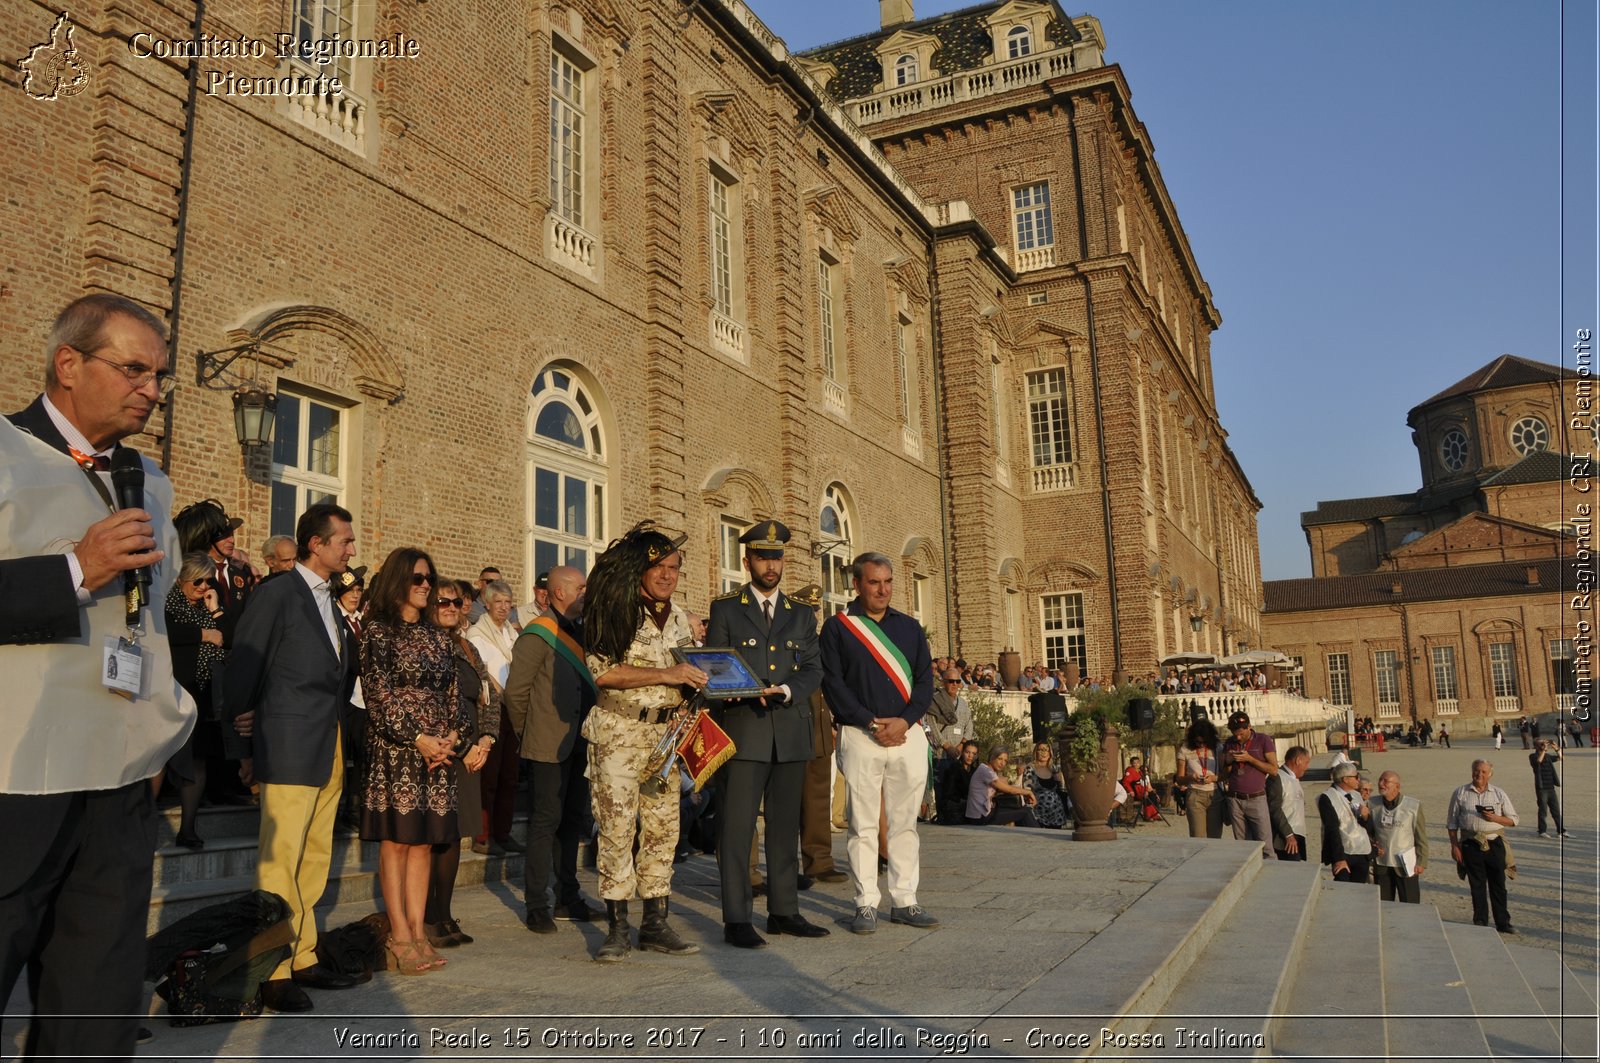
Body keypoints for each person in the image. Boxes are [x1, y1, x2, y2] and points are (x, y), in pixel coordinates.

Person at [0, 294, 191, 1060]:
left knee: (96, 1009)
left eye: (160, 375)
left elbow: (153, 621)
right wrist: (78, 567)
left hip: (117, 782)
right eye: (134, 368)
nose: (151, 388)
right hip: (16, 777)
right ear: (68, 363)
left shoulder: (153, 481)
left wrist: (161, 732)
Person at [225, 502, 360, 1011]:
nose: (351, 548)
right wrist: (241, 747)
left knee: (315, 858)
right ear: (316, 545)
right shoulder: (277, 593)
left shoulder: (331, 602)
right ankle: (272, 969)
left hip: (328, 747)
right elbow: (245, 669)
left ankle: (303, 955)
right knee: (280, 861)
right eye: (344, 540)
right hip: (285, 745)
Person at [581, 522, 707, 962]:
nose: (668, 575)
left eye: (674, 567)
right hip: (618, 735)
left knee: (662, 832)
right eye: (659, 567)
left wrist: (700, 688)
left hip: (665, 740)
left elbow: (689, 671)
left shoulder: (678, 617)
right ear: (640, 570)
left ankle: (655, 922)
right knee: (616, 831)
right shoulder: (613, 610)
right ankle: (616, 927)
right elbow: (603, 672)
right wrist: (667, 675)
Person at [358, 549, 485, 975]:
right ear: (398, 580)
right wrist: (418, 738)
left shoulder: (436, 636)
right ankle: (399, 935)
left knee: (425, 844)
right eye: (417, 578)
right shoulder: (377, 631)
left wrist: (450, 737)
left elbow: (452, 692)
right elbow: (378, 695)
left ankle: (418, 929)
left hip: (439, 754)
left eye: (429, 578)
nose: (426, 585)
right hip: (398, 752)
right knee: (397, 843)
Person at [705, 521, 827, 949]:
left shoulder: (800, 613)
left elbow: (813, 668)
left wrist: (790, 690)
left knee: (783, 827)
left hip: (790, 730)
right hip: (745, 730)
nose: (770, 566)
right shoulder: (726, 608)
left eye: (776, 558)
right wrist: (744, 691)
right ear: (747, 561)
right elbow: (715, 665)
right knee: (737, 828)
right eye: (762, 557)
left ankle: (784, 911)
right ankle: (737, 918)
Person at [820, 552, 939, 935]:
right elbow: (833, 685)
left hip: (908, 733)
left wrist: (903, 721)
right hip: (861, 735)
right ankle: (866, 902)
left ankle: (905, 900)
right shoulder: (838, 628)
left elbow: (925, 683)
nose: (883, 589)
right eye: (874, 582)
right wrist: (872, 722)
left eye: (888, 582)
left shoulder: (910, 628)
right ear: (857, 584)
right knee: (864, 824)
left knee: (905, 823)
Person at [504, 564, 602, 934]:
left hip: (579, 742)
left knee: (571, 823)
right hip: (546, 744)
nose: (585, 593)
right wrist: (528, 735)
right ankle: (536, 904)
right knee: (545, 823)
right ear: (559, 592)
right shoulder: (537, 633)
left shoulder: (582, 632)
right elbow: (516, 693)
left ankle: (568, 895)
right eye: (580, 587)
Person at [423, 580, 498, 948]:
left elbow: (489, 697)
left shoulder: (467, 647)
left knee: (454, 837)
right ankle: (427, 916)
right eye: (442, 601)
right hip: (438, 752)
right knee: (434, 836)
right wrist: (465, 744)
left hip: (469, 752)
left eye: (456, 601)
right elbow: (430, 705)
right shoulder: (421, 643)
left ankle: (445, 913)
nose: (451, 607)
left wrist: (486, 740)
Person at [164, 552, 230, 849]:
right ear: (180, 580)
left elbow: (230, 637)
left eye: (209, 580)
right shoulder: (169, 603)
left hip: (202, 692)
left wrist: (216, 611)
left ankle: (188, 828)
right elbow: (164, 632)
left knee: (197, 759)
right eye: (198, 580)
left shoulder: (208, 606)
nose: (204, 586)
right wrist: (204, 633)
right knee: (159, 758)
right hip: (172, 690)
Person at [788, 583, 848, 885]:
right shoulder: (788, 640)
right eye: (808, 609)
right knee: (787, 801)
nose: (813, 615)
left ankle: (819, 861)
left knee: (818, 798)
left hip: (821, 726)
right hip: (794, 725)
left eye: (816, 609)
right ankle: (785, 865)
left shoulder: (823, 642)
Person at [466, 579, 523, 856]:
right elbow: (482, 675)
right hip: (491, 709)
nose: (503, 607)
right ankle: (483, 835)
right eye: (498, 602)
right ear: (486, 604)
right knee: (489, 775)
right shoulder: (477, 635)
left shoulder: (511, 635)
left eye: (507, 602)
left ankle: (504, 831)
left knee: (509, 775)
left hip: (513, 709)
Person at [1446, 760, 1519, 933]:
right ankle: (1480, 921)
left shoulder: (1498, 793)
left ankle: (1503, 922)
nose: (1479, 774)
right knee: (1476, 884)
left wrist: (1495, 818)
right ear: (1471, 771)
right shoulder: (1460, 793)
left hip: (1494, 843)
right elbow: (1451, 823)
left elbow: (1514, 820)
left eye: (1484, 772)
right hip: (1470, 844)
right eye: (1476, 771)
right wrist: (1454, 846)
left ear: (1490, 774)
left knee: (1498, 884)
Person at [1222, 710, 1278, 858]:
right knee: (1242, 846)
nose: (1238, 737)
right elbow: (1225, 773)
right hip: (1234, 799)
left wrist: (1250, 759)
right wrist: (1228, 760)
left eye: (1241, 733)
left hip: (1256, 798)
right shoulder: (1229, 742)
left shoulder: (1263, 740)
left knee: (1265, 845)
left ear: (1249, 727)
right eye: (1235, 733)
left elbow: (1273, 770)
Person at [1369, 771, 1427, 903]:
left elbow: (1421, 836)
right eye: (1380, 780)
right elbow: (1368, 832)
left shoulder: (1413, 806)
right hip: (1382, 863)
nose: (1381, 783)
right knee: (1383, 904)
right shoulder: (1372, 804)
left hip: (1406, 864)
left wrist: (1421, 862)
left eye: (1386, 781)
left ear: (1397, 786)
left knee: (1410, 904)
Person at [1318, 763, 1373, 883]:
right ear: (1345, 779)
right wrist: (1339, 858)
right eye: (1356, 776)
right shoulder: (1327, 797)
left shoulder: (1356, 794)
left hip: (1362, 850)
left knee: (1359, 889)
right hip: (1344, 851)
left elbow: (1367, 825)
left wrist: (1365, 817)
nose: (1358, 779)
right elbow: (1332, 829)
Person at [964, 746, 1039, 827]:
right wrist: (1029, 792)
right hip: (981, 817)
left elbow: (1004, 788)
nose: (1002, 763)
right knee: (1025, 812)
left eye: (1005, 760)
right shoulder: (985, 771)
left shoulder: (988, 771)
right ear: (992, 757)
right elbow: (1009, 789)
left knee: (1019, 810)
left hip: (983, 815)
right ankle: (1040, 838)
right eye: (1000, 759)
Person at [1176, 717, 1224, 839]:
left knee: (1215, 838)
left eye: (1204, 742)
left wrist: (1213, 778)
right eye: (1198, 742)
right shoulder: (1185, 749)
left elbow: (1226, 774)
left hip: (1215, 795)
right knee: (1198, 838)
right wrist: (1191, 777)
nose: (1201, 745)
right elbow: (1179, 779)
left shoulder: (1217, 747)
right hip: (1195, 795)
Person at [1269, 745, 1310, 861]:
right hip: (1285, 837)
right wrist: (1288, 834)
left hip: (1298, 833)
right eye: (1306, 762)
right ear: (1298, 760)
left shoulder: (1294, 779)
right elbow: (1274, 808)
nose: (1307, 767)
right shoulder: (1277, 778)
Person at [1021, 740, 1067, 829]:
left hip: (1056, 813)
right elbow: (1027, 790)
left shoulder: (1054, 769)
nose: (1043, 753)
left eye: (1046, 750)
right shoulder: (1030, 768)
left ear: (1050, 753)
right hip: (1039, 812)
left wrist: (1060, 780)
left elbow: (1062, 790)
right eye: (1040, 750)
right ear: (1036, 752)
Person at [1529, 740, 1567, 838]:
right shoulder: (1532, 756)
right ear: (1536, 746)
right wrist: (1544, 750)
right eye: (1541, 744)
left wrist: (1557, 749)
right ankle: (1542, 831)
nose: (1543, 745)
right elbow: (1538, 761)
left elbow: (1561, 758)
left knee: (1556, 811)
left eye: (1544, 743)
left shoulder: (1548, 756)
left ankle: (1561, 831)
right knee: (1543, 810)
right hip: (1541, 788)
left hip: (1551, 787)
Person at [939, 740, 981, 826]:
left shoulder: (974, 771)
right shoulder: (954, 769)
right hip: (954, 809)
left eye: (973, 753)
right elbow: (949, 795)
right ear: (962, 752)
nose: (970, 756)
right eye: (967, 752)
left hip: (968, 807)